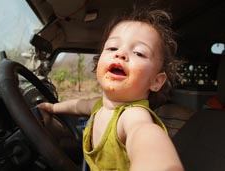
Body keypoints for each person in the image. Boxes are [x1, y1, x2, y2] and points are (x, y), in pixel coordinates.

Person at [38, 7, 184, 171]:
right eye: (113, 48)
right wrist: (51, 107)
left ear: (156, 81)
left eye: (139, 53)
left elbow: (145, 135)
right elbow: (77, 105)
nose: (120, 54)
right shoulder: (100, 105)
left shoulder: (132, 115)